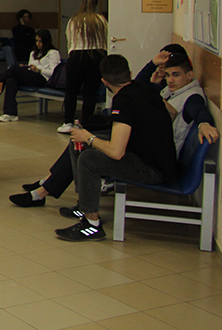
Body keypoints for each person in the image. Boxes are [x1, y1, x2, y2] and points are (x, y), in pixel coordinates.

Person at [9, 47, 218, 210]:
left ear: (189, 75)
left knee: (87, 148)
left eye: (176, 75)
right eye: (168, 75)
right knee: (80, 141)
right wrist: (153, 68)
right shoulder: (161, 90)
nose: (170, 80)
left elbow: (197, 110)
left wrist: (204, 123)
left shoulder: (191, 96)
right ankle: (51, 187)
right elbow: (140, 87)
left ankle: (56, 193)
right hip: (149, 147)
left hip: (153, 161)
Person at [55, 55, 178, 242]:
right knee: (77, 144)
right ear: (129, 73)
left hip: (152, 169)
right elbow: (172, 113)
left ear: (104, 82)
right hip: (160, 159)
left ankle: (91, 226)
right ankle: (85, 206)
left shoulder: (123, 100)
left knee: (88, 159)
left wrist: (88, 137)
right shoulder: (145, 88)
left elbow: (116, 152)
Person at [58, 0, 107, 134]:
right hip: (97, 56)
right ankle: (86, 123)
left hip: (77, 56)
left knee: (71, 91)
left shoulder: (74, 20)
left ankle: (68, 122)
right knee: (90, 93)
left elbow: (69, 40)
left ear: (82, 3)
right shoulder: (101, 20)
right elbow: (106, 38)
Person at [0, 28, 60, 122]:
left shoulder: (53, 53)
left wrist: (39, 70)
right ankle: (10, 113)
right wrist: (27, 68)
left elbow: (55, 72)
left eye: (40, 41)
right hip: (32, 76)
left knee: (14, 69)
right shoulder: (33, 53)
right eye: (37, 41)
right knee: (11, 80)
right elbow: (30, 68)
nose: (38, 44)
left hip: (43, 78)